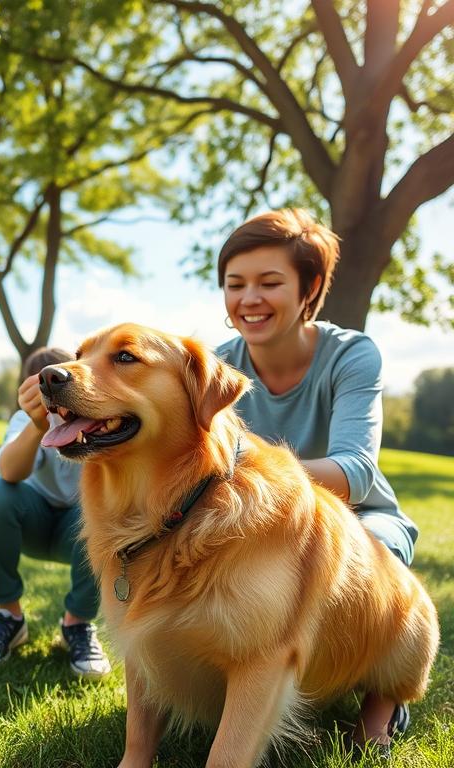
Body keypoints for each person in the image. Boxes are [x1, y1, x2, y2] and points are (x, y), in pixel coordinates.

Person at [215, 208, 417, 755]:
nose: (248, 299)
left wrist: (251, 472)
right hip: (258, 520)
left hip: (356, 518)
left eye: (269, 283)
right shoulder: (218, 367)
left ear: (311, 289)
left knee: (385, 563)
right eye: (235, 284)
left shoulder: (351, 355)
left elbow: (355, 471)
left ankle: (381, 708)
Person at [0, 347, 111, 679]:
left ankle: (77, 623)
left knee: (103, 509)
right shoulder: (23, 420)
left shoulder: (100, 417)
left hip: (81, 533)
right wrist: (37, 424)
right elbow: (9, 473)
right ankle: (9, 616)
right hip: (32, 523)